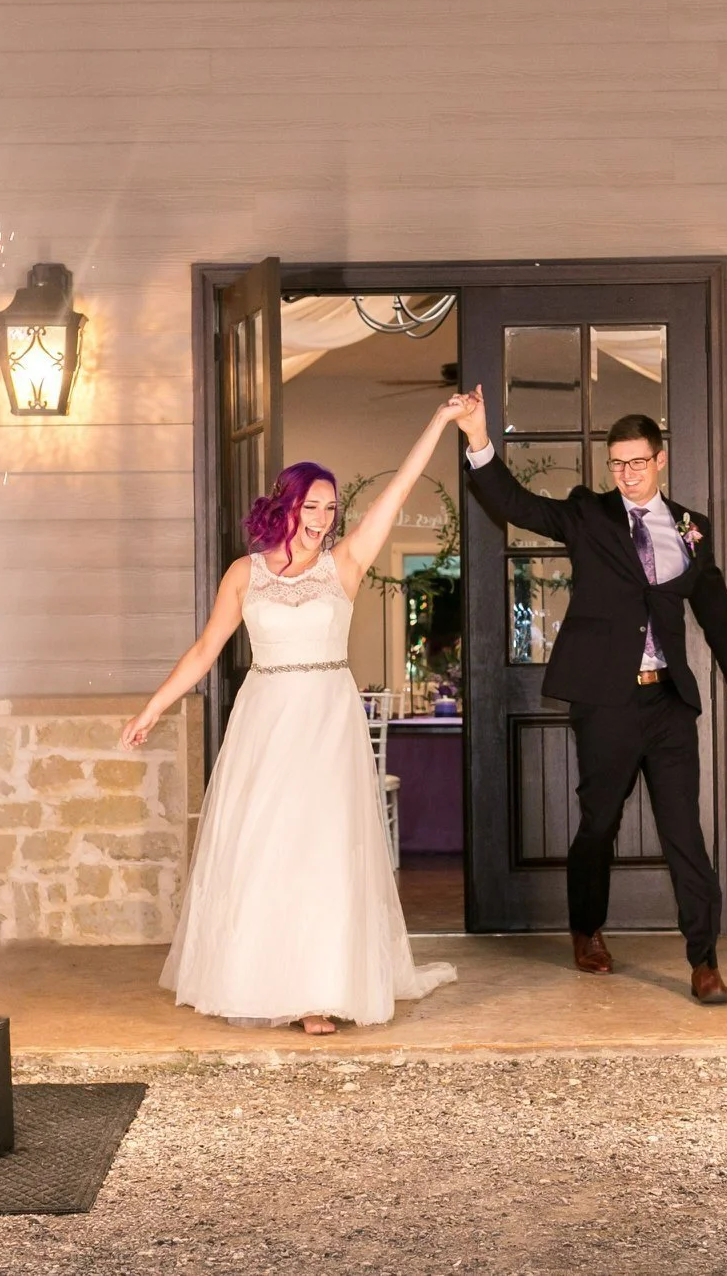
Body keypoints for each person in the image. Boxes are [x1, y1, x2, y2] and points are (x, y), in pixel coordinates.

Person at [122, 397, 469, 1034]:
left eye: (331, 507)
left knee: (325, 850)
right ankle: (260, 978)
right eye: (312, 505)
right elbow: (205, 650)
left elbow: (399, 489)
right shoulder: (244, 574)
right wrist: (153, 707)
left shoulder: (347, 564)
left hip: (328, 718)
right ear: (285, 505)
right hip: (267, 719)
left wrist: (440, 423)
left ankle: (317, 993)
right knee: (267, 846)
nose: (323, 517)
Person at [456, 393, 727, 1004]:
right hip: (606, 703)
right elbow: (514, 503)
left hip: (669, 702)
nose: (626, 475)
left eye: (637, 464)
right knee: (600, 823)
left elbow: (716, 612)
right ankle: (586, 927)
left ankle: (703, 961)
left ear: (661, 460)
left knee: (685, 831)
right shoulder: (588, 514)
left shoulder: (689, 528)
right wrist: (478, 438)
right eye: (617, 464)